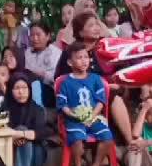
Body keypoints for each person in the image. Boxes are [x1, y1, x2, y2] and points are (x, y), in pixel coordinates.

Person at [55, 12, 133, 145]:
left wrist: (116, 84)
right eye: (91, 25)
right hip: (79, 99)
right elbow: (60, 80)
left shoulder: (106, 47)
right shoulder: (71, 52)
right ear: (80, 32)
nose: (97, 27)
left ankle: (131, 141)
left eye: (97, 24)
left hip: (107, 95)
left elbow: (122, 71)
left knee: (114, 96)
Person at [56, 42, 114, 166]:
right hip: (74, 120)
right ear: (70, 62)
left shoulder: (95, 79)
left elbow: (101, 101)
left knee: (107, 137)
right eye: (79, 57)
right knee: (77, 139)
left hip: (94, 117)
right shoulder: (66, 82)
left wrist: (92, 116)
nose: (84, 60)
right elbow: (63, 106)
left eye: (86, 57)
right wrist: (74, 115)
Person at [0, 73, 50, 166]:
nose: (21, 92)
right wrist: (13, 137)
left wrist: (22, 134)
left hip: (33, 155)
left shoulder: (37, 110)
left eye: (24, 88)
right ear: (10, 91)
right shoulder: (4, 109)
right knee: (5, 139)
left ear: (29, 90)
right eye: (17, 88)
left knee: (22, 129)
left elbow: (44, 132)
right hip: (9, 151)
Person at [24, 21, 61, 107]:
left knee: (36, 85)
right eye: (32, 35)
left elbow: (56, 77)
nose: (35, 38)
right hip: (29, 87)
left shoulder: (55, 52)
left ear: (47, 36)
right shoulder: (28, 52)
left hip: (50, 89)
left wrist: (42, 74)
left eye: (38, 35)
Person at [127, 99, 152, 166]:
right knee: (135, 144)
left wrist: (147, 143)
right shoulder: (144, 125)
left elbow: (145, 143)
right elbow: (135, 134)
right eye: (150, 114)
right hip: (148, 165)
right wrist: (144, 110)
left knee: (139, 143)